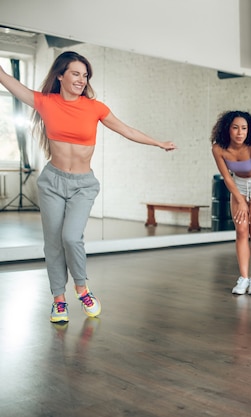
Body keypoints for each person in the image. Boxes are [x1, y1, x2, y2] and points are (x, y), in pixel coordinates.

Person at [0, 51, 177, 324]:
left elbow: (126, 130)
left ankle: (82, 288)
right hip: (52, 182)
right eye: (75, 73)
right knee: (53, 244)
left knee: (71, 237)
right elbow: (9, 81)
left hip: (83, 184)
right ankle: (59, 301)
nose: (81, 80)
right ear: (60, 75)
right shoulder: (45, 102)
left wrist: (158, 143)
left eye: (85, 75)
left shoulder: (95, 107)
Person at [211, 110, 251, 295]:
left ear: (249, 130)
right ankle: (244, 277)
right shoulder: (218, 148)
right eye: (235, 128)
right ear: (227, 129)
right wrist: (240, 199)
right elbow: (227, 178)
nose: (240, 132)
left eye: (244, 128)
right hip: (237, 186)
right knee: (241, 231)